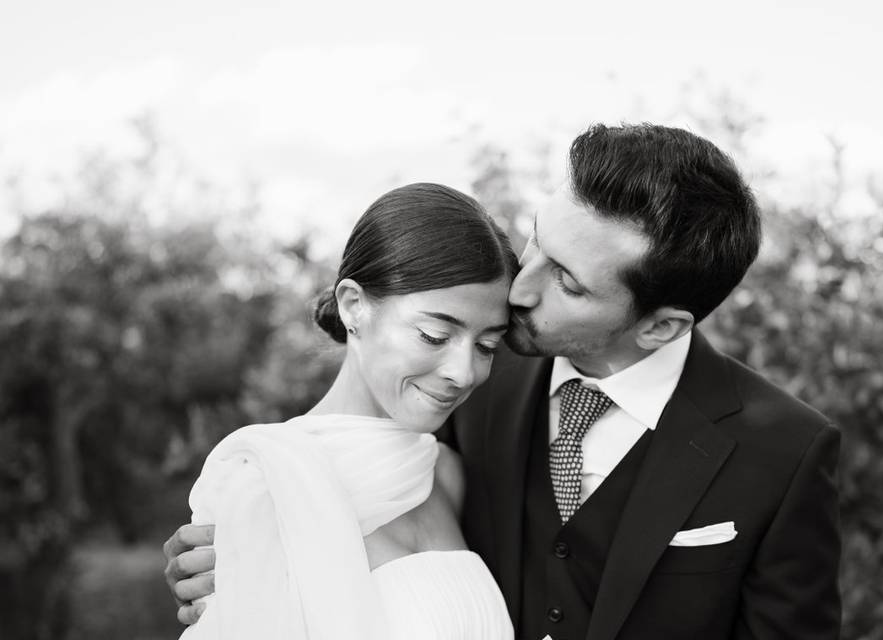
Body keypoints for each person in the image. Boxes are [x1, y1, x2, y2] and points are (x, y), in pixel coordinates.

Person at [166, 124, 841, 639]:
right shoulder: (470, 381)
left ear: (661, 326)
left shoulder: (781, 452)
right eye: (538, 242)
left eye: (567, 282)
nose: (520, 285)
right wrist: (239, 551)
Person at [170, 182, 518, 639]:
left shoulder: (446, 474)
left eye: (487, 345)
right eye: (434, 336)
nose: (464, 371)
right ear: (354, 306)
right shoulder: (265, 481)